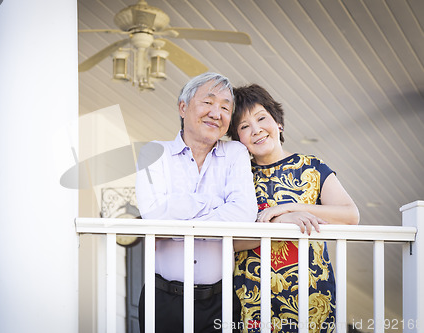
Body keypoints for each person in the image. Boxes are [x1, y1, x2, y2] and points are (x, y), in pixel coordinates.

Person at [227, 84, 359, 333]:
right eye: (244, 126)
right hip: (252, 298)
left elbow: (351, 216)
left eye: (261, 118)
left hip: (311, 297)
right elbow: (229, 240)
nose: (256, 130)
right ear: (238, 140)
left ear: (278, 123)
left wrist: (290, 208)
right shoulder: (236, 176)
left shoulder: (312, 167)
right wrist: (278, 224)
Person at [135, 72, 258, 333]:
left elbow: (244, 212)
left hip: (219, 301)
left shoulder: (235, 153)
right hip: (163, 298)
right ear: (183, 107)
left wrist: (176, 224)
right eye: (208, 102)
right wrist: (215, 205)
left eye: (225, 107)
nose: (217, 113)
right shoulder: (153, 152)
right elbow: (154, 217)